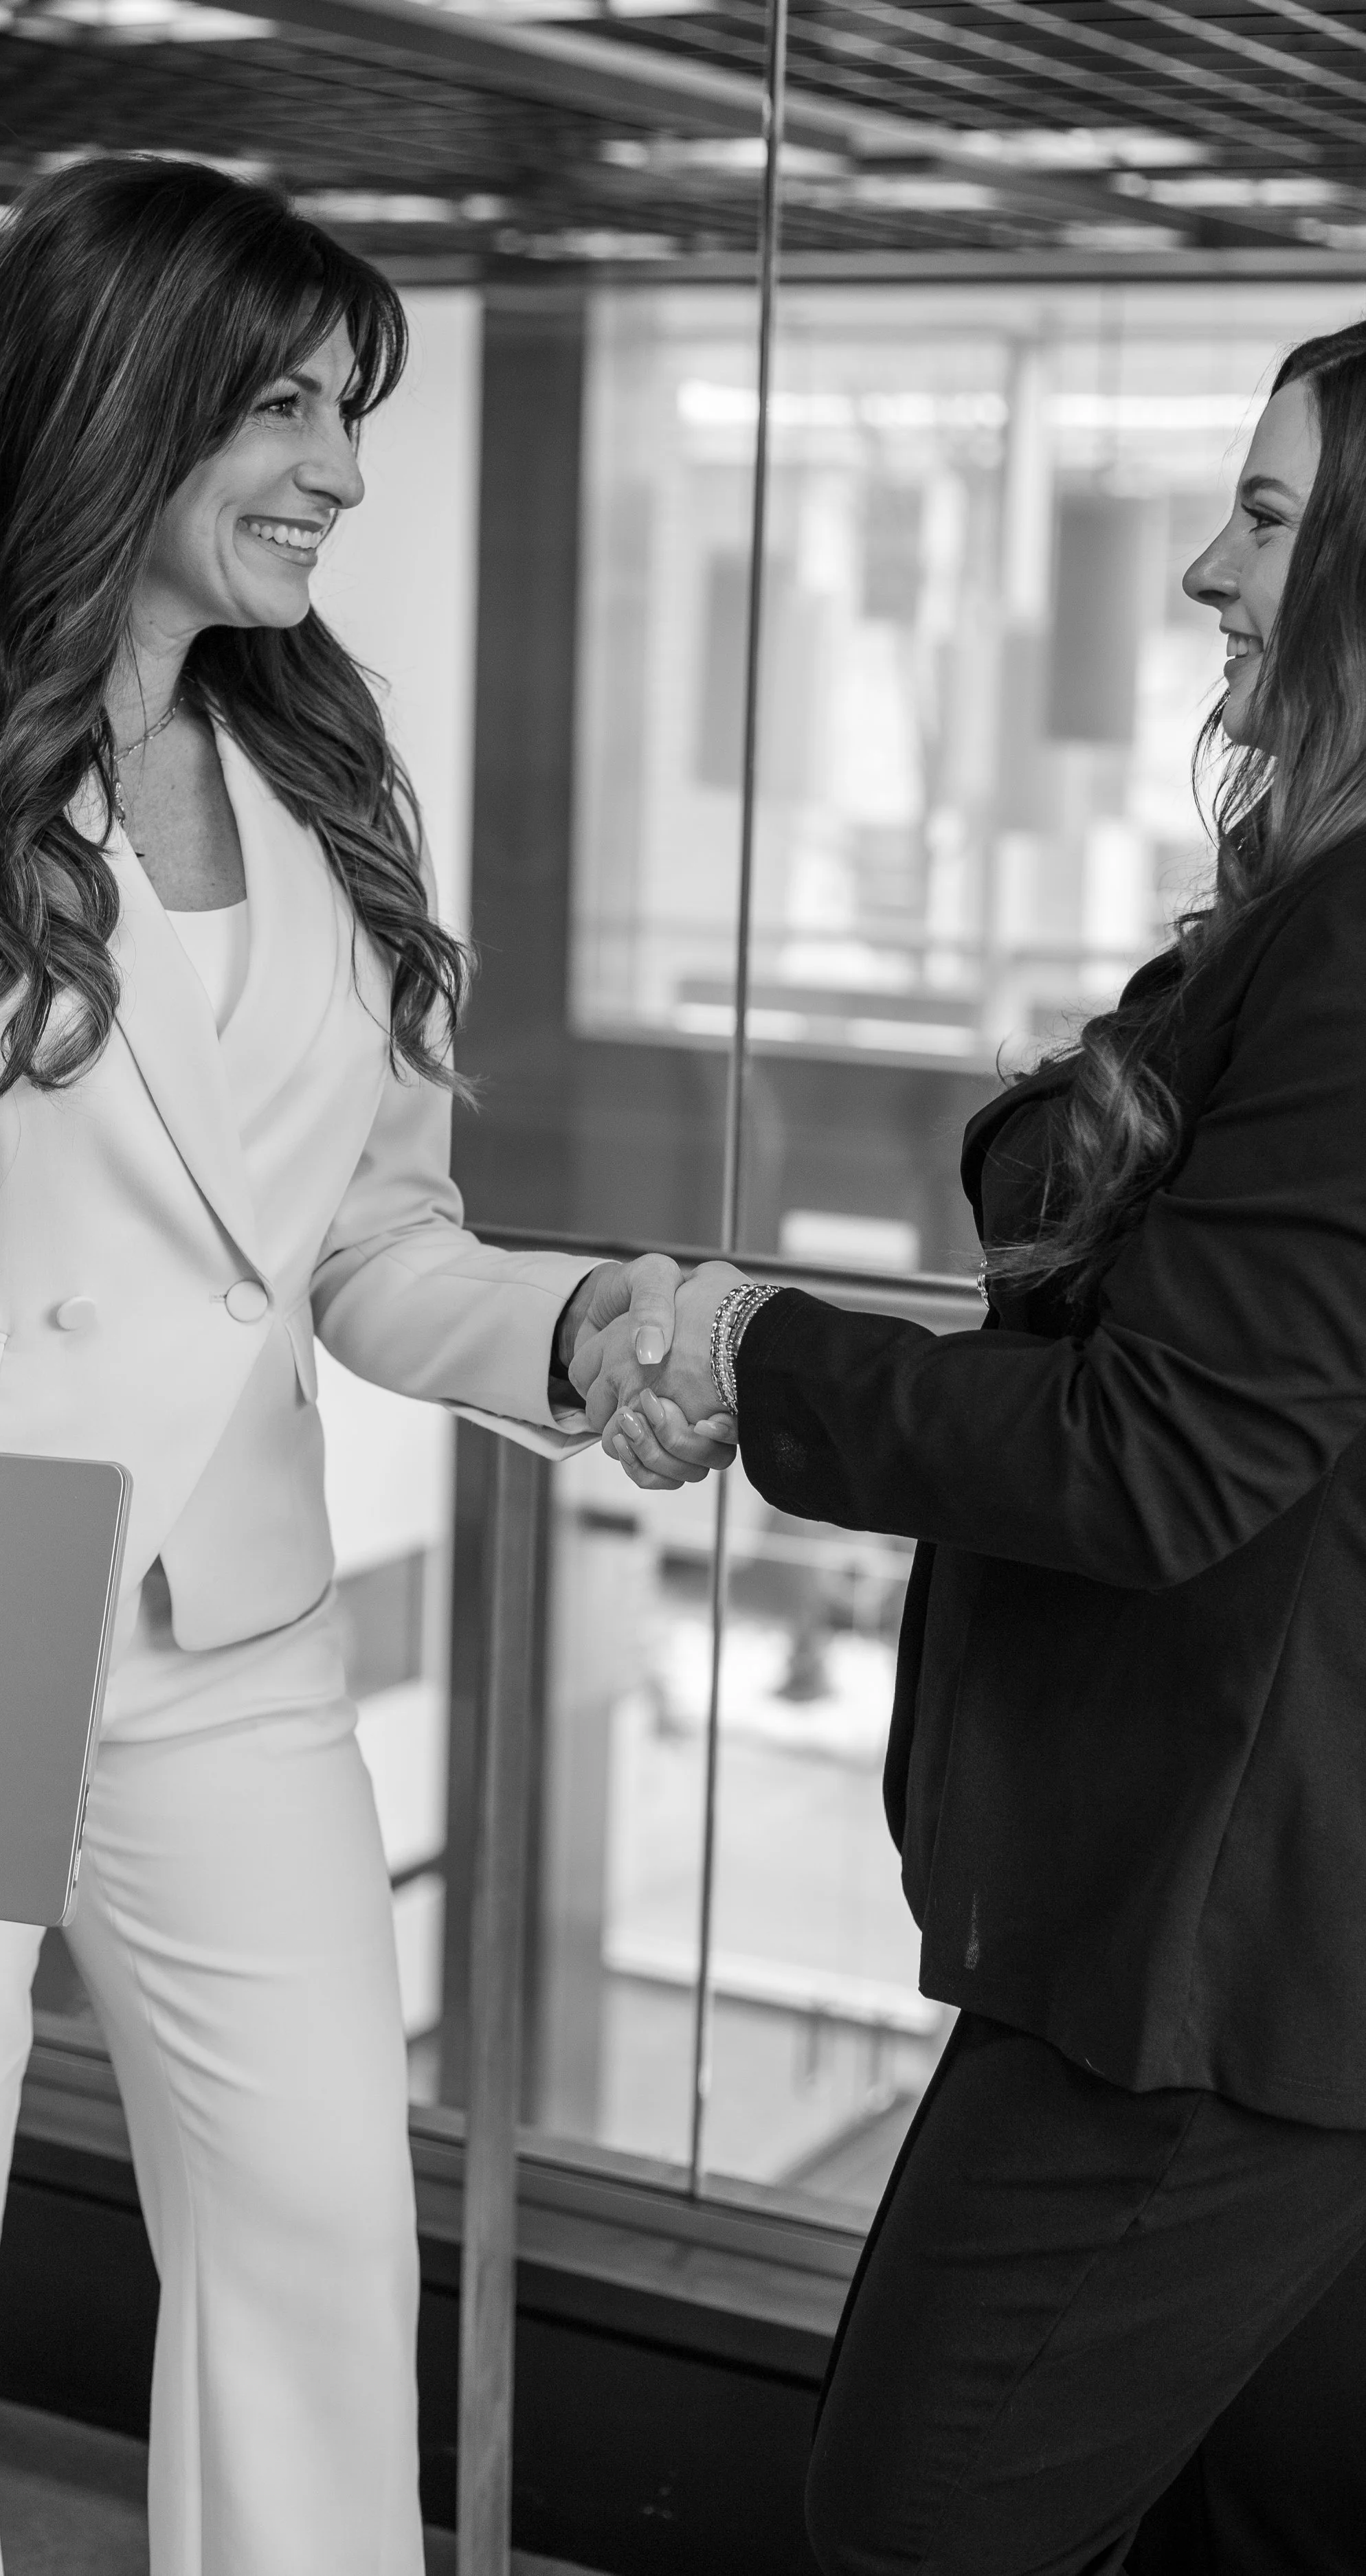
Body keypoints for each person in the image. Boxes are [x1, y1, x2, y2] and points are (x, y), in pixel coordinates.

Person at [0, 157, 732, 2576]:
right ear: (110, 406)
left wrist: (567, 1326)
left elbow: (360, 1240)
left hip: (232, 1610)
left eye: (350, 413)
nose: (339, 468)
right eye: (283, 409)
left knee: (319, 2232)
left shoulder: (320, 787)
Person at [572, 321, 1366, 2573]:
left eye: (1268, 516)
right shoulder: (1313, 894)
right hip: (1276, 1940)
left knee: (914, 2522)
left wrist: (757, 1349)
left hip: (1215, 1957)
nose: (1207, 571)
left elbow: (1156, 1455)